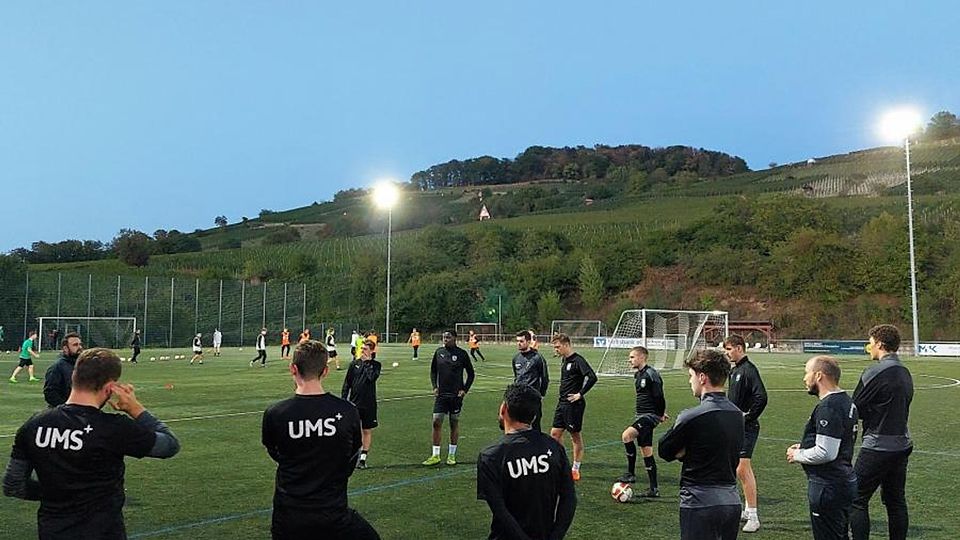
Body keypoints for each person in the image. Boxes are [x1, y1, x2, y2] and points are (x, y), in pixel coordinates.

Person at [3, 348, 180, 539]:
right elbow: (169, 445)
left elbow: (13, 484)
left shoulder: (34, 425)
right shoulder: (113, 428)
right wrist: (136, 409)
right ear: (110, 388)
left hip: (53, 532)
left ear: (74, 377)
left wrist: (57, 492)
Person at [261, 340, 380, 540]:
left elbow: (275, 452)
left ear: (293, 369)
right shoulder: (347, 411)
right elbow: (352, 455)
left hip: (289, 517)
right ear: (325, 371)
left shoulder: (276, 414)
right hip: (332, 515)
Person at [659, 349, 744, 540]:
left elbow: (664, 450)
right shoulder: (738, 414)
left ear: (702, 377)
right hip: (731, 502)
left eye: (691, 376)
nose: (690, 381)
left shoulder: (691, 416)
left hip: (699, 502)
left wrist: (686, 451)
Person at [477, 384, 577, 540]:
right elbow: (569, 498)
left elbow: (500, 511)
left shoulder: (491, 456)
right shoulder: (554, 447)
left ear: (504, 409)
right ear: (534, 416)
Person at [850, 324, 913, 540]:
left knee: (856, 498)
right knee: (896, 501)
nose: (869, 347)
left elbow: (854, 407)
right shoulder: (905, 372)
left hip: (877, 446)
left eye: (870, 343)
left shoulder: (874, 372)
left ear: (878, 344)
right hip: (902, 444)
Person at [786, 356, 859, 540]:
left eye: (806, 373)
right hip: (842, 482)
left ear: (819, 376)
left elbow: (826, 452)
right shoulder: (846, 401)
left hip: (828, 486)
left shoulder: (829, 406)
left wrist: (798, 454)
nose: (804, 378)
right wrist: (806, 445)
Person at [725, 334, 768, 533]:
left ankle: (754, 516)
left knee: (743, 469)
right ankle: (746, 510)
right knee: (737, 469)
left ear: (740, 348)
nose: (727, 353)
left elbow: (762, 396)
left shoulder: (749, 370)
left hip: (747, 427)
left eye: (729, 349)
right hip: (735, 426)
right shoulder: (735, 371)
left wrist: (748, 416)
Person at [618, 346, 668, 497]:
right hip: (641, 415)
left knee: (626, 436)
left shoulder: (651, 374)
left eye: (632, 357)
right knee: (646, 452)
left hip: (648, 417)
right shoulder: (638, 375)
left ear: (642, 357)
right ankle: (654, 489)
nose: (630, 360)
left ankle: (631, 474)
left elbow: (659, 396)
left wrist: (659, 415)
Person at [549, 333, 597, 482]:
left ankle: (575, 469)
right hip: (562, 403)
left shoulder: (578, 360)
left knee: (574, 436)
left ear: (566, 345)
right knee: (555, 434)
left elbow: (592, 377)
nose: (555, 350)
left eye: (557, 347)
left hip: (573, 405)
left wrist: (580, 394)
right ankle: (563, 463)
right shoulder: (564, 360)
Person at [423, 330, 475, 466]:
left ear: (455, 338)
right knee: (436, 421)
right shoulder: (439, 352)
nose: (445, 339)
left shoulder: (462, 354)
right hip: (441, 395)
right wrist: (435, 386)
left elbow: (471, 374)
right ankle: (435, 455)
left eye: (448, 337)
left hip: (456, 395)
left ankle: (451, 455)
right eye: (444, 337)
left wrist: (465, 390)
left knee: (454, 423)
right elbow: (433, 370)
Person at [341, 339, 381, 469]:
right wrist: (343, 399)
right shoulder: (354, 364)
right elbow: (347, 383)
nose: (362, 351)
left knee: (366, 430)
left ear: (371, 351)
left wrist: (367, 362)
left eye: (365, 349)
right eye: (361, 348)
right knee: (352, 430)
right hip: (354, 403)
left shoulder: (376, 365)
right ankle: (350, 456)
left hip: (369, 404)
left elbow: (371, 378)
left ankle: (363, 459)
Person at [512, 330, 549, 431]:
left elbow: (545, 378)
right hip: (519, 398)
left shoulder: (538, 358)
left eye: (521, 341)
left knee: (535, 426)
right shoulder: (516, 358)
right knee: (518, 426)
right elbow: (517, 377)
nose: (519, 343)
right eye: (517, 341)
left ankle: (537, 446)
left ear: (528, 342)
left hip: (533, 398)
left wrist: (541, 394)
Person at [43, 333, 83, 408]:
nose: (80, 347)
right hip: (65, 414)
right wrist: (65, 408)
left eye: (80, 344)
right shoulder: (57, 367)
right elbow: (50, 393)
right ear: (65, 348)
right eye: (75, 345)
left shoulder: (83, 365)